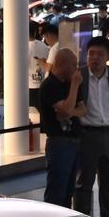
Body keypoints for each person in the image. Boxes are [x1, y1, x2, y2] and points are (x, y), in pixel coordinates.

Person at [73, 35, 109, 217]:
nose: (95, 58)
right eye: (91, 53)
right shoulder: (79, 75)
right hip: (87, 135)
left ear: (108, 56)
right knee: (83, 184)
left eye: (100, 54)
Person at [37, 47, 86, 207]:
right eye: (74, 65)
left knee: (69, 189)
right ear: (64, 65)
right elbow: (66, 110)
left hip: (74, 140)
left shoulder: (68, 84)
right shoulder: (49, 85)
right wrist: (75, 86)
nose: (76, 69)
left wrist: (69, 111)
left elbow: (82, 109)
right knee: (57, 190)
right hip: (58, 142)